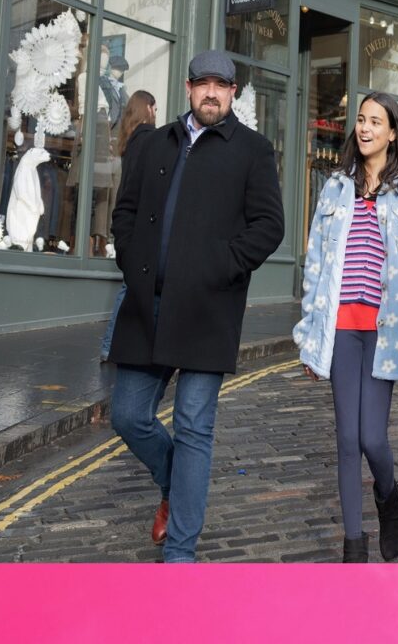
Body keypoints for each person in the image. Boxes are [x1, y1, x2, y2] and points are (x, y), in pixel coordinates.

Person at [107, 51, 285, 563]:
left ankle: (181, 551)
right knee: (128, 415)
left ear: (233, 93)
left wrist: (221, 268)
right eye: (203, 84)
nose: (212, 93)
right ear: (188, 88)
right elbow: (126, 212)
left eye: (221, 85)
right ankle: (174, 485)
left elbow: (268, 227)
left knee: (192, 426)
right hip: (148, 304)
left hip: (209, 309)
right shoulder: (152, 142)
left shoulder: (252, 150)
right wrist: (132, 261)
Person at [293, 91, 398, 563]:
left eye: (375, 122)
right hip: (339, 328)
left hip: (386, 332)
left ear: (392, 132)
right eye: (360, 120)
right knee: (345, 439)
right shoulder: (335, 187)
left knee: (372, 439)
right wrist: (308, 336)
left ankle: (387, 495)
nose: (364, 128)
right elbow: (316, 263)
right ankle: (353, 547)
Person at [99, 90, 158, 362]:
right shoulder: (149, 138)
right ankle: (110, 345)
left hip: (127, 221)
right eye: (154, 108)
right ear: (148, 108)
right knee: (130, 287)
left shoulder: (130, 139)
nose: (156, 113)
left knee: (130, 286)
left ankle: (113, 345)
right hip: (139, 223)